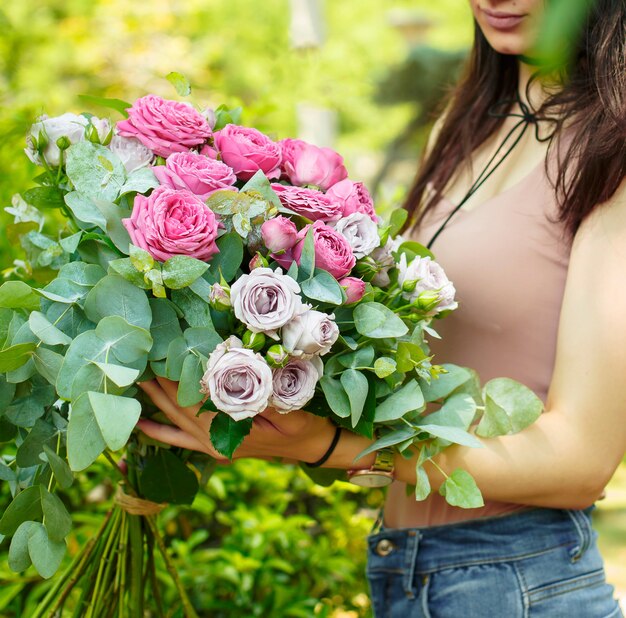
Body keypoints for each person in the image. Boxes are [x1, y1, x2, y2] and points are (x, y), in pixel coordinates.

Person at [138, 0, 626, 615]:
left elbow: (580, 460)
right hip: (409, 571)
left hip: (519, 580)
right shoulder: (469, 118)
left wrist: (329, 446)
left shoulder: (614, 147)